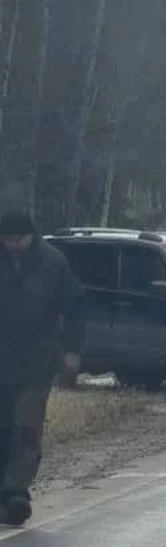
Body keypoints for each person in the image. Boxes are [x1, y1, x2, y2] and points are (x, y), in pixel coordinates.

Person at [0, 208, 84, 526]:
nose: (12, 245)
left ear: (31, 236)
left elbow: (74, 305)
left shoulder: (53, 262)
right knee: (2, 426)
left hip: (37, 361)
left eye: (17, 239)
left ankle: (15, 492)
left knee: (25, 427)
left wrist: (73, 349)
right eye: (6, 239)